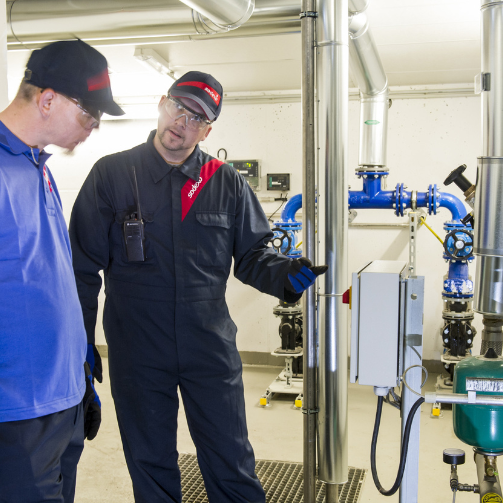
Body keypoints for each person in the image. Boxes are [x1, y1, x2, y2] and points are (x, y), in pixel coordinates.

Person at [69, 71, 327, 503]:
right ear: (161, 103)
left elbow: (252, 256)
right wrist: (79, 342)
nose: (181, 122)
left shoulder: (224, 182)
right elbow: (80, 268)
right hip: (137, 345)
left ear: (208, 129)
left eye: (196, 118)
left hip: (208, 343)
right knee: (150, 462)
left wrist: (285, 276)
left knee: (231, 459)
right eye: (178, 108)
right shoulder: (112, 175)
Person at [0, 40, 123, 502]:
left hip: (63, 399)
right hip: (17, 412)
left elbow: (45, 278)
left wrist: (78, 368)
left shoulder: (38, 165)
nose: (94, 127)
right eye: (90, 113)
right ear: (48, 99)